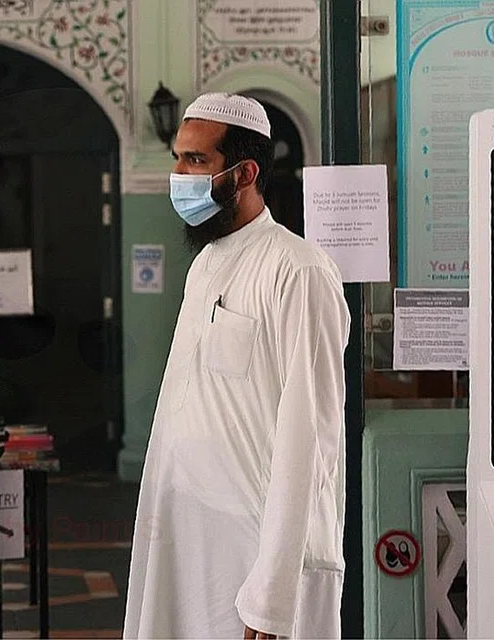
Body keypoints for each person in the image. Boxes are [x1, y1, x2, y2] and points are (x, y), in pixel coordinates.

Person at [123, 93, 350, 639]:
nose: (179, 174)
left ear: (244, 171)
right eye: (177, 158)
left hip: (251, 562)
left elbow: (310, 439)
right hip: (188, 547)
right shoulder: (206, 262)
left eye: (196, 161)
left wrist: (270, 598)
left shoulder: (298, 270)